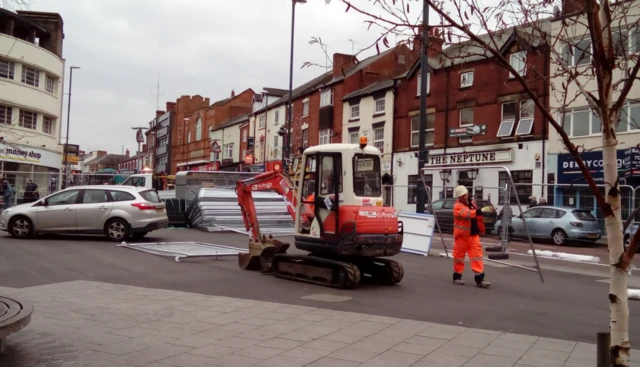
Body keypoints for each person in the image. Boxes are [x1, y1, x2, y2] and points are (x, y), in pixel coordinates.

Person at [452, 185, 491, 288]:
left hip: (473, 236)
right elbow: (467, 214)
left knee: (477, 257)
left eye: (465, 195)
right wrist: (480, 211)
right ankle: (457, 276)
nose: (464, 197)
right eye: (462, 196)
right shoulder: (457, 206)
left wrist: (481, 229)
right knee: (459, 258)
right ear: (459, 197)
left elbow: (478, 218)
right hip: (462, 237)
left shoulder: (472, 203)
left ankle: (480, 279)